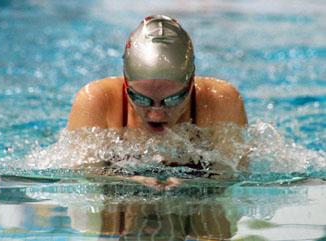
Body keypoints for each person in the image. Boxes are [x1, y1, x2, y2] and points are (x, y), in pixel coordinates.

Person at [67, 15, 248, 187]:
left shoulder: (221, 100)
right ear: (125, 81)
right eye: (140, 98)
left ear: (191, 81)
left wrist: (198, 185)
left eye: (173, 99)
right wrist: (121, 182)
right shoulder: (96, 100)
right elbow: (79, 177)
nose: (156, 114)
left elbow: (236, 178)